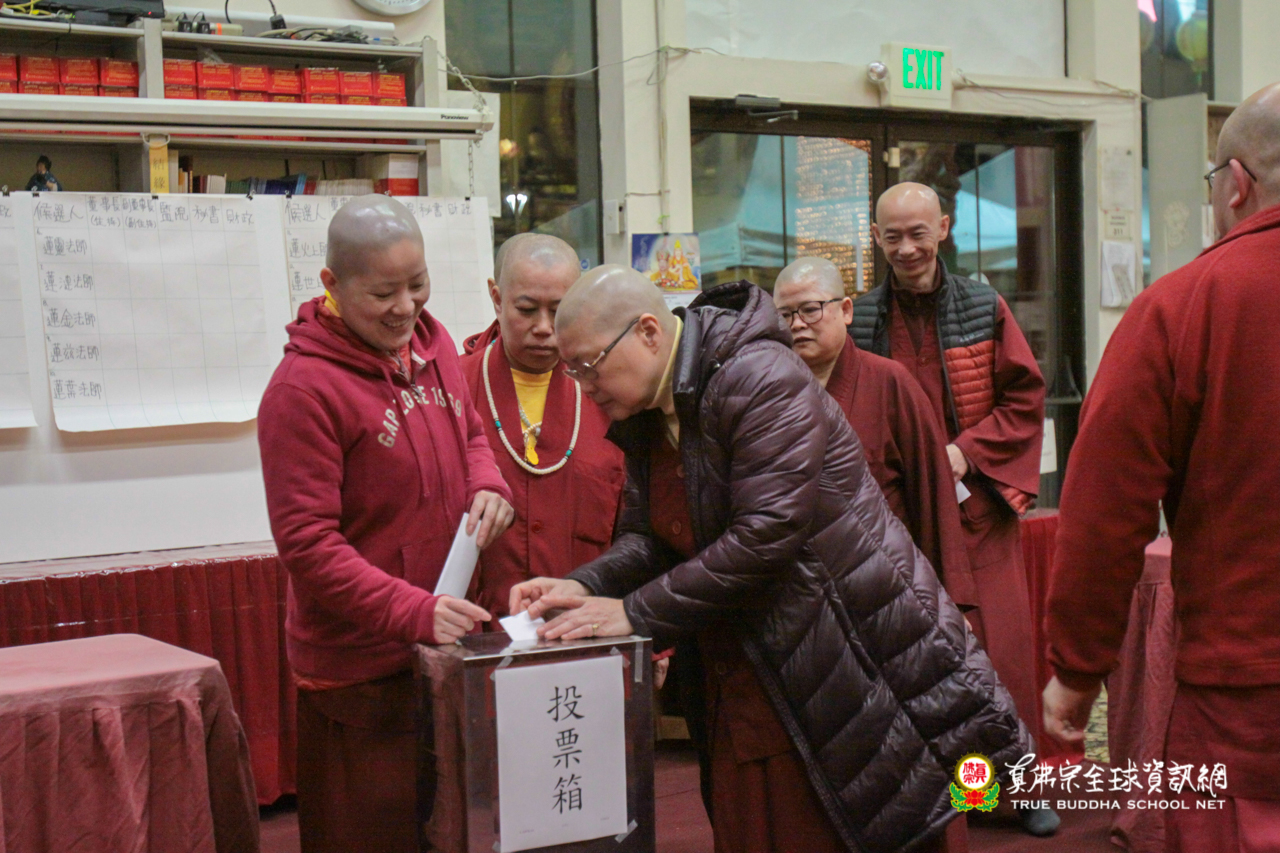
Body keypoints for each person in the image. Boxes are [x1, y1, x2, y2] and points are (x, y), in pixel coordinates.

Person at [510, 267, 1032, 853]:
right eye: (572, 372)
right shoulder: (647, 411)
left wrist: (632, 614)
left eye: (588, 365)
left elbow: (766, 534)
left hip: (845, 650)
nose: (584, 387)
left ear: (649, 333)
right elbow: (649, 536)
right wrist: (583, 586)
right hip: (748, 665)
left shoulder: (758, 376)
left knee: (871, 822)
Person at [1044, 82, 1280, 852]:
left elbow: (1105, 511)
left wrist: (1077, 670)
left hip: (1248, 691)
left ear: (1236, 183)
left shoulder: (1183, 307)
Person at [257, 195, 514, 853]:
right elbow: (308, 546)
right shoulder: (302, 390)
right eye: (382, 293)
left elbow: (471, 431)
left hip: (441, 647)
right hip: (360, 672)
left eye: (417, 284)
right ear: (332, 284)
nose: (406, 307)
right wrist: (414, 612)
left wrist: (487, 481)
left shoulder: (432, 345)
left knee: (450, 830)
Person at [853, 183, 1054, 837]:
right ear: (875, 238)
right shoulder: (859, 318)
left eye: (918, 232)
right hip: (899, 519)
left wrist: (967, 453)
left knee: (1001, 656)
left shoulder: (983, 305)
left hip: (976, 513)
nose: (907, 248)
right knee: (919, 663)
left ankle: (1017, 792)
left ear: (943, 227)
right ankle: (959, 799)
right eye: (892, 236)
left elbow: (1024, 398)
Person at [773, 256, 973, 607]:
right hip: (800, 594)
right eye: (784, 315)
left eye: (811, 309)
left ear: (846, 310)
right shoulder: (770, 391)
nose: (797, 324)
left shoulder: (891, 382)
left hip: (885, 589)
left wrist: (950, 600)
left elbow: (933, 495)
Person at [460, 233, 626, 619]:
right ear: (497, 298)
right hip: (477, 632)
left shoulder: (611, 392)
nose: (544, 327)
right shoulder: (452, 387)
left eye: (559, 310)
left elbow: (638, 532)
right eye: (527, 309)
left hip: (584, 629)